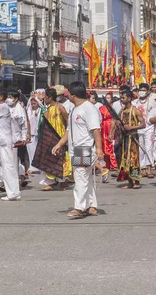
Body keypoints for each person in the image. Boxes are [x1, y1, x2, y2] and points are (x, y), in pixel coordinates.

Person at [52, 81, 104, 218]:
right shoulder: (74, 109)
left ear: (73, 95)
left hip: (84, 148)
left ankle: (79, 208)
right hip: (75, 148)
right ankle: (91, 205)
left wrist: (99, 149)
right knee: (85, 178)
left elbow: (96, 130)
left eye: (68, 93)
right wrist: (59, 144)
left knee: (80, 178)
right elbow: (68, 131)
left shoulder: (89, 108)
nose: (66, 95)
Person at [39, 88, 70, 191]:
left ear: (49, 97)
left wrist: (66, 136)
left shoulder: (61, 108)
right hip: (50, 137)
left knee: (62, 159)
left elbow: (68, 122)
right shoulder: (47, 110)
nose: (44, 100)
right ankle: (51, 183)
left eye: (45, 98)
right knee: (50, 159)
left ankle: (63, 181)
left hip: (60, 136)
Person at [117, 90, 145, 189]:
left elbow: (143, 124)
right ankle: (129, 182)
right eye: (121, 97)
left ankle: (136, 181)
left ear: (129, 99)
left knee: (134, 159)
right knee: (125, 159)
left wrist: (132, 128)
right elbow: (117, 121)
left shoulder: (136, 111)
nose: (121, 99)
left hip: (133, 138)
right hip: (124, 138)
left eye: (123, 97)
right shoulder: (121, 111)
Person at [132, 83, 156, 179]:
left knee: (149, 148)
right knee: (140, 149)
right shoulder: (134, 102)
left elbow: (155, 114)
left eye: (144, 90)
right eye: (140, 90)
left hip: (149, 128)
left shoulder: (152, 102)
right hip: (138, 128)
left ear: (148, 91)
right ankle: (143, 169)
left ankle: (150, 169)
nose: (142, 92)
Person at [7, 89, 29, 186]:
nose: (8, 99)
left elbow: (24, 125)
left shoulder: (19, 109)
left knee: (15, 162)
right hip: (6, 138)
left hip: (16, 138)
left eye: (10, 98)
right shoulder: (5, 108)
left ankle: (15, 182)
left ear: (16, 99)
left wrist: (24, 138)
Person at [25, 96, 43, 173]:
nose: (33, 104)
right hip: (29, 135)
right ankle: (32, 167)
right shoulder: (28, 111)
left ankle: (38, 166)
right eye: (32, 103)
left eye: (35, 103)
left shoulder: (40, 110)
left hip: (38, 134)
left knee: (37, 151)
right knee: (30, 151)